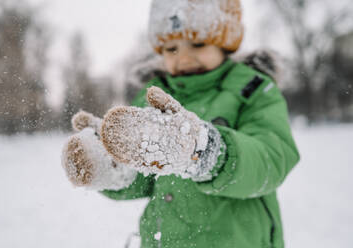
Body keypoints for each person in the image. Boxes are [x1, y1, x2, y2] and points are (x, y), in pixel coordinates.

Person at [61, 0, 300, 247]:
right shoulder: (151, 95)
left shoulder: (253, 90)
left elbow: (272, 158)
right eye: (171, 48)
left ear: (225, 43)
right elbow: (144, 179)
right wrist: (112, 165)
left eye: (198, 43)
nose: (184, 57)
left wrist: (205, 151)